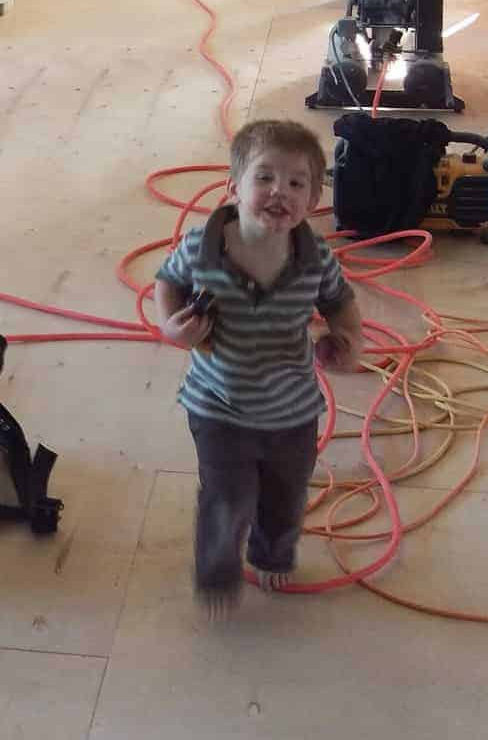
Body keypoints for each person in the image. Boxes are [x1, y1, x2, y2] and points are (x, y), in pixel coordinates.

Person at [153, 119, 363, 618]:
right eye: (265, 177)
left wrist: (348, 340)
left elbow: (341, 302)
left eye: (296, 183)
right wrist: (171, 327)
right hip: (217, 405)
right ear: (234, 188)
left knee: (285, 496)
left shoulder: (315, 260)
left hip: (291, 410)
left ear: (312, 203)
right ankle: (218, 571)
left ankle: (271, 554)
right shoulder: (201, 249)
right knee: (227, 496)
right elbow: (167, 282)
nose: (279, 192)